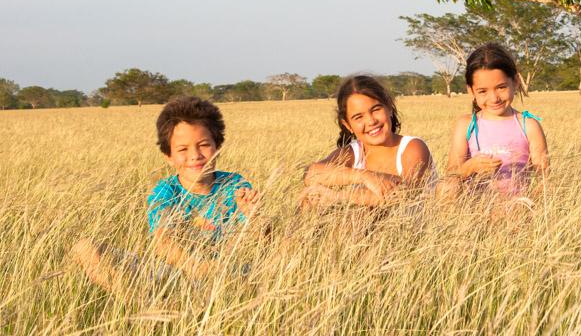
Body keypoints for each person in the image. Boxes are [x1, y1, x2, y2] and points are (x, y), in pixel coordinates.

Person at [69, 96, 263, 298]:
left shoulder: (234, 185)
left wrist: (253, 217)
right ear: (168, 157)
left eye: (204, 144)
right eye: (182, 149)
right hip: (176, 273)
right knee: (84, 248)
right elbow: (163, 243)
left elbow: (258, 242)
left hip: (229, 273)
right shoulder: (165, 191)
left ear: (218, 147)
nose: (195, 155)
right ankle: (142, 306)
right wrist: (195, 267)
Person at [299, 75, 435, 208]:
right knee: (309, 200)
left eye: (376, 110)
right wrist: (364, 176)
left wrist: (336, 197)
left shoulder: (412, 147)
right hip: (366, 227)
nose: (371, 121)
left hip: (410, 228)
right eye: (358, 117)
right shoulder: (352, 152)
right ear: (347, 125)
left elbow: (402, 194)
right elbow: (311, 174)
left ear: (389, 107)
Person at [437, 43, 549, 201]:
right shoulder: (466, 125)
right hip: (474, 210)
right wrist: (470, 167)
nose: (494, 98)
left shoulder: (528, 125)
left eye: (501, 87)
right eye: (483, 91)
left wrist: (529, 208)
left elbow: (543, 178)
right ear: (471, 91)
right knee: (446, 187)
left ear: (515, 82)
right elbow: (451, 174)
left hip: (518, 209)